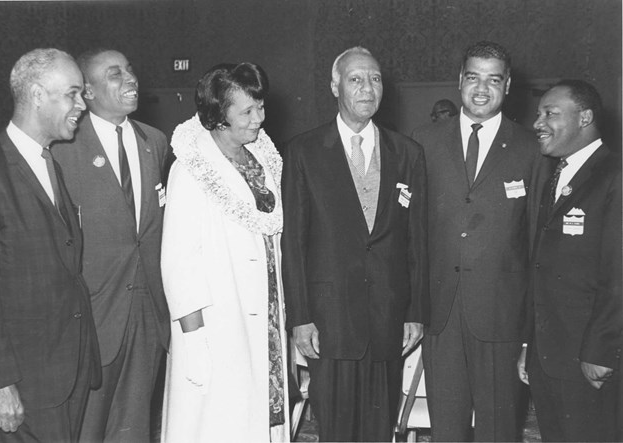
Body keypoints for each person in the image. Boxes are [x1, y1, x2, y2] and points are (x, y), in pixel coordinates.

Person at [282, 46, 428, 442]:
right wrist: (299, 316)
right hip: (328, 322)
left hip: (388, 318)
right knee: (337, 429)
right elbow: (293, 242)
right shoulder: (303, 151)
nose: (368, 88)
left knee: (379, 430)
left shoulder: (408, 153)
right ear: (335, 87)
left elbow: (415, 240)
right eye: (355, 79)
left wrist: (414, 310)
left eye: (375, 79)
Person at [410, 41, 538, 441]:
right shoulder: (422, 142)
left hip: (501, 314)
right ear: (459, 80)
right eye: (473, 77)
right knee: (446, 428)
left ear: (508, 85)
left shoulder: (533, 148)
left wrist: (529, 326)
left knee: (498, 430)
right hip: (440, 311)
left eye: (493, 79)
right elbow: (410, 233)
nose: (481, 89)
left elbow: (535, 241)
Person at [0, 48, 100, 442]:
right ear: (36, 94)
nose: (82, 104)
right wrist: (0, 384)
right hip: (26, 381)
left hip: (69, 370)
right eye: (73, 93)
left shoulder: (50, 164)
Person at [160, 62, 289, 443]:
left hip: (264, 312)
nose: (259, 119)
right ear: (218, 116)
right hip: (218, 322)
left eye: (261, 107)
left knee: (258, 418)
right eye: (247, 111)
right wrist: (193, 337)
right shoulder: (191, 170)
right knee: (219, 423)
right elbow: (178, 260)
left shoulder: (262, 159)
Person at [52, 49, 170, 442]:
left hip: (146, 317)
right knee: (86, 430)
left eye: (131, 70)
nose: (131, 79)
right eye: (115, 74)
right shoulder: (62, 150)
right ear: (87, 92)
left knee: (133, 428)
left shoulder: (155, 142)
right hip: (93, 319)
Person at [517, 80, 622, 442]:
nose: (538, 123)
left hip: (588, 359)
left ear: (585, 117)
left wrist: (601, 351)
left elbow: (617, 274)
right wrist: (529, 347)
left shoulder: (615, 175)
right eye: (539, 113)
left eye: (550, 113)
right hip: (549, 357)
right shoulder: (555, 175)